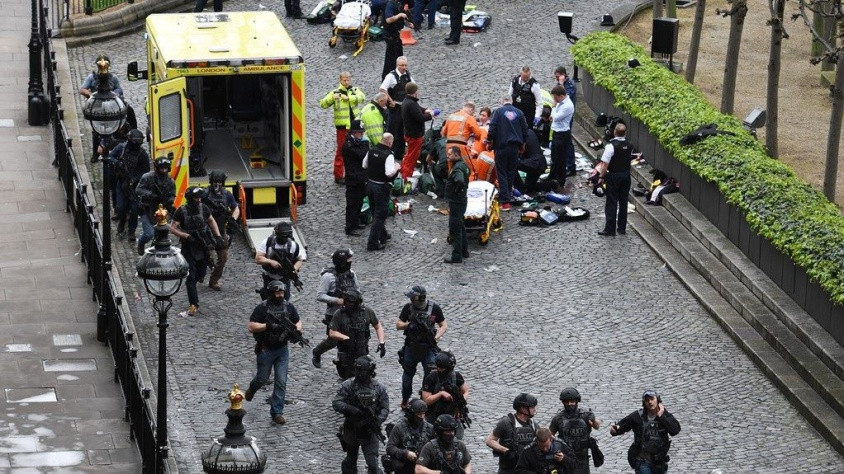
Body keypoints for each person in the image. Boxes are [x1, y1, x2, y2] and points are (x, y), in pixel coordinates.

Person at [244, 280, 302, 425]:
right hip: (266, 349)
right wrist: (267, 326)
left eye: (281, 292)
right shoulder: (262, 308)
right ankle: (252, 388)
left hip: (282, 349)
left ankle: (277, 412)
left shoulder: (289, 306)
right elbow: (251, 326)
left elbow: (298, 320)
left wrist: (296, 330)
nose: (280, 295)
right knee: (262, 378)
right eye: (277, 293)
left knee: (281, 381)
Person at [169, 186, 225, 316]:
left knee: (201, 274)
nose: (198, 200)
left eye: (200, 198)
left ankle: (198, 279)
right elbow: (172, 228)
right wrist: (186, 236)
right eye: (196, 198)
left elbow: (211, 220)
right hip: (189, 247)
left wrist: (217, 236)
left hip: (203, 246)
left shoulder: (204, 208)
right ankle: (193, 304)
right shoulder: (181, 211)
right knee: (191, 277)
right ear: (190, 198)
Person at [333, 356, 390, 474]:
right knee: (351, 461)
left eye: (363, 371)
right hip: (351, 428)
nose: (360, 374)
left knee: (373, 464)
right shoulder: (348, 385)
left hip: (369, 431)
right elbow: (336, 403)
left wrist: (377, 420)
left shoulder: (379, 388)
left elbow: (384, 408)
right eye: (358, 370)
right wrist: (350, 409)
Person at [396, 285, 447, 407]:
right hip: (411, 347)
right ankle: (405, 400)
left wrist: (436, 337)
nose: (411, 300)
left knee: (429, 375)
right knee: (407, 377)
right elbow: (398, 325)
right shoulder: (408, 308)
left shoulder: (434, 308)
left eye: (413, 297)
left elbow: (443, 325)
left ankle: (424, 400)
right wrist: (409, 325)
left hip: (428, 347)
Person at [610, 389, 681, 474]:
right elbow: (623, 425)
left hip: (659, 462)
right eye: (647, 400)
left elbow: (675, 430)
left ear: (657, 400)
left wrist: (661, 416)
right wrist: (615, 430)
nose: (650, 402)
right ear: (644, 403)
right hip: (642, 461)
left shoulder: (664, 414)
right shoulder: (638, 416)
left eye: (652, 399)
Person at [313, 248, 360, 368]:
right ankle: (317, 351)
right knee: (333, 340)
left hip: (350, 312)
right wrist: (337, 300)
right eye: (348, 260)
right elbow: (320, 295)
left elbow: (357, 290)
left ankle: (345, 362)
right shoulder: (328, 276)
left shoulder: (351, 274)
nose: (350, 262)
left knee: (352, 337)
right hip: (334, 313)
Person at [329, 289, 387, 380]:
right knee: (347, 378)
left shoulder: (367, 312)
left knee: (365, 377)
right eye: (348, 302)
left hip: (362, 351)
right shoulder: (339, 314)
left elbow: (378, 326)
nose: (350, 305)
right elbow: (332, 332)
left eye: (352, 303)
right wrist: (344, 338)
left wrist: (381, 343)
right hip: (346, 353)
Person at [321, 71, 366, 184]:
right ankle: (339, 175)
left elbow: (362, 98)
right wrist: (332, 98)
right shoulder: (335, 92)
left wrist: (349, 98)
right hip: (342, 127)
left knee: (357, 150)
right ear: (340, 80)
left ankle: (355, 173)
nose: (346, 82)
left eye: (348, 80)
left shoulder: (354, 90)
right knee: (341, 151)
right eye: (344, 80)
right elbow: (323, 104)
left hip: (355, 126)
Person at [487, 97, 529, 212]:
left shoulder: (498, 112)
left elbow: (492, 128)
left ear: (502, 102)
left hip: (501, 146)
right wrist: (523, 144)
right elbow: (525, 130)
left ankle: (505, 202)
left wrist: (489, 140)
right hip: (515, 147)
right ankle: (508, 197)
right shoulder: (519, 113)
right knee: (511, 172)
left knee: (501, 173)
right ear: (512, 102)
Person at [80, 54, 123, 163]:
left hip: (110, 105)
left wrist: (114, 95)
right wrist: (91, 95)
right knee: (96, 132)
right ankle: (95, 153)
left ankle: (110, 151)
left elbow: (119, 89)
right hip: (97, 106)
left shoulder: (113, 78)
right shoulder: (92, 77)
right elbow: (83, 89)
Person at [591, 122, 632, 236]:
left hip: (614, 175)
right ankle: (622, 228)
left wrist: (601, 177)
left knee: (612, 201)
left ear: (614, 132)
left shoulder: (611, 146)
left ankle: (610, 229)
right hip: (626, 175)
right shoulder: (629, 144)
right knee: (623, 202)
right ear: (625, 133)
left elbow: (605, 164)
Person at [549, 388, 602, 474]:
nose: (569, 404)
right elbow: (550, 436)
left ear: (577, 401)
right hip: (566, 457)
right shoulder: (558, 418)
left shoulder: (585, 415)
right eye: (567, 402)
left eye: (572, 401)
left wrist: (593, 420)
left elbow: (597, 426)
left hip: (582, 458)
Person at [203, 170, 240, 291]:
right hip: (205, 230)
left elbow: (236, 208)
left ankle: (214, 280)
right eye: (215, 181)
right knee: (202, 256)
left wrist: (233, 219)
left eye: (219, 182)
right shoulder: (204, 194)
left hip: (220, 230)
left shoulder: (227, 194)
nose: (217, 184)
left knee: (223, 258)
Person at [485, 393, 540, 474]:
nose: (535, 409)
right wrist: (506, 451)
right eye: (532, 407)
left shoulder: (533, 424)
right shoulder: (506, 423)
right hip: (508, 469)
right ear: (523, 409)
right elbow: (489, 441)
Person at [111, 129, 149, 243]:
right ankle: (122, 221)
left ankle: (131, 231)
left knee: (134, 209)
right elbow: (110, 156)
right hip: (121, 183)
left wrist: (134, 180)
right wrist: (117, 163)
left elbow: (145, 171)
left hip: (135, 187)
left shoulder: (142, 154)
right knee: (121, 207)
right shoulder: (121, 148)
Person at [363, 133, 399, 251]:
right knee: (380, 215)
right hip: (381, 187)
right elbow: (389, 173)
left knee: (375, 211)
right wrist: (397, 167)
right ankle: (372, 242)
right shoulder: (388, 155)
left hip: (369, 185)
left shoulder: (371, 150)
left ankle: (383, 235)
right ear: (389, 142)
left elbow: (364, 165)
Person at [421, 351, 469, 440]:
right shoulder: (431, 377)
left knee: (456, 439)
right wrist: (440, 394)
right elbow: (426, 400)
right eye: (438, 367)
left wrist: (460, 403)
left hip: (452, 415)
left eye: (442, 368)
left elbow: (465, 391)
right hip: (434, 416)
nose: (439, 369)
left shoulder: (456, 376)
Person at [135, 156, 176, 256]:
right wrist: (151, 195)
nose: (164, 171)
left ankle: (153, 253)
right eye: (161, 168)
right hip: (147, 208)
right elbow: (138, 190)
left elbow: (172, 195)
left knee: (160, 235)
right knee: (149, 233)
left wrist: (169, 201)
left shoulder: (170, 181)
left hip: (162, 211)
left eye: (165, 168)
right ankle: (141, 242)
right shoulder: (147, 177)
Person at [255, 221, 306, 299]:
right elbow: (258, 259)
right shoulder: (268, 242)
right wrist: (270, 261)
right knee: (269, 300)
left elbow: (299, 260)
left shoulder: (293, 245)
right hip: (269, 277)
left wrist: (294, 268)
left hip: (284, 279)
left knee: (285, 300)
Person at [385, 399, 435, 474]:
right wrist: (406, 453)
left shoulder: (430, 428)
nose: (422, 417)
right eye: (419, 414)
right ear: (411, 414)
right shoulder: (399, 427)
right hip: (405, 464)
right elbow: (390, 448)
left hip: (423, 463)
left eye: (423, 414)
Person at [380, 57, 413, 163]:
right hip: (395, 108)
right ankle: (388, 152)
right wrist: (390, 100)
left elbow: (414, 87)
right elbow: (382, 89)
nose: (404, 67)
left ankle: (399, 154)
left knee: (403, 131)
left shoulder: (408, 75)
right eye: (402, 65)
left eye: (405, 65)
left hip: (405, 107)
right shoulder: (391, 76)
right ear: (397, 65)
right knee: (392, 130)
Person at [400, 82, 435, 180]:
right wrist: (431, 115)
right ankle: (406, 178)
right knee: (412, 158)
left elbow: (418, 109)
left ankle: (403, 172)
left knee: (408, 155)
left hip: (409, 133)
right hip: (414, 136)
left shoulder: (407, 101)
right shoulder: (411, 103)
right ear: (415, 92)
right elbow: (420, 118)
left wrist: (426, 110)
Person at [343, 120, 370, 236]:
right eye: (360, 133)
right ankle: (349, 227)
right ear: (354, 132)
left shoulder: (356, 142)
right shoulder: (348, 145)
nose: (362, 135)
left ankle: (356, 222)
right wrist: (365, 145)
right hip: (353, 179)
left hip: (360, 177)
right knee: (352, 204)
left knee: (359, 202)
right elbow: (362, 154)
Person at [443, 146, 470, 263]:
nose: (448, 156)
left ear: (456, 155)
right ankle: (464, 251)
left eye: (450, 154)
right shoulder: (463, 165)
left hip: (456, 201)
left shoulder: (457, 168)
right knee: (461, 226)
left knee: (455, 229)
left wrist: (456, 190)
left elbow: (459, 180)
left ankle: (457, 256)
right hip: (461, 200)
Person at [549, 85, 574, 186]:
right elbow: (554, 116)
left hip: (562, 134)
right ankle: (552, 176)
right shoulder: (561, 102)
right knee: (554, 156)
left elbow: (556, 117)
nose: (554, 100)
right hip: (556, 131)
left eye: (555, 97)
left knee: (560, 159)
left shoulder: (567, 106)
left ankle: (560, 180)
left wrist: (553, 107)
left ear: (562, 96)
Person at [381, 0, 412, 80]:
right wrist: (400, 15)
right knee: (391, 60)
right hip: (390, 35)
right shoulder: (390, 4)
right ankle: (387, 79)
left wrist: (407, 23)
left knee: (399, 57)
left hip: (395, 34)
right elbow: (388, 20)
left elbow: (398, 18)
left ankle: (400, 77)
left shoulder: (398, 3)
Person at [514, 129, 547, 196]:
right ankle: (552, 184)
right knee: (530, 188)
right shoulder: (529, 131)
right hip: (541, 163)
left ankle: (521, 189)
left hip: (534, 164)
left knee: (511, 165)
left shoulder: (520, 134)